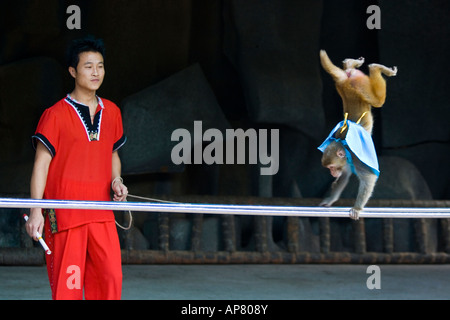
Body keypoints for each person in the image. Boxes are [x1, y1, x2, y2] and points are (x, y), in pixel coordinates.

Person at [25, 36, 128, 300]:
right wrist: (36, 210)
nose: (96, 72)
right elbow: (41, 166)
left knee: (110, 281)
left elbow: (112, 154)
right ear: (72, 71)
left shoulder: (113, 112)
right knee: (68, 289)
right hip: (67, 215)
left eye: (101, 66)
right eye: (88, 66)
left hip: (102, 213)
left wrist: (117, 180)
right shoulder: (55, 114)